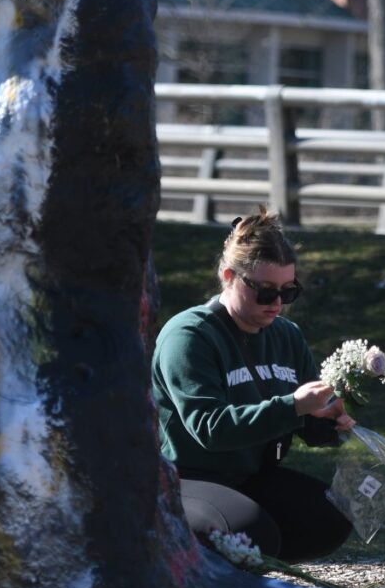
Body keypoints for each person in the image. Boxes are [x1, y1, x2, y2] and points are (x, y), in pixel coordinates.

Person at [151, 207, 354, 564]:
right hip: (184, 478)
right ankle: (192, 566)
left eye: (288, 292)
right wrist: (293, 406)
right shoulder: (189, 335)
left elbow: (304, 422)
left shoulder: (286, 336)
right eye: (265, 292)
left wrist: (329, 421)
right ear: (230, 277)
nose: (277, 304)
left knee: (332, 516)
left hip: (252, 475)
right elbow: (210, 429)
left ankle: (249, 574)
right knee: (253, 533)